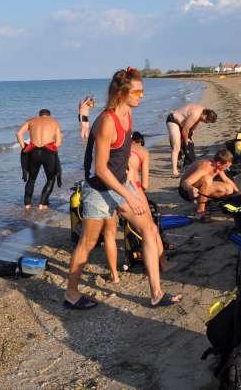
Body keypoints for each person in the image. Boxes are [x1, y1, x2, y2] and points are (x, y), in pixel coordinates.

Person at [65, 68, 179, 310]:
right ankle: (71, 294)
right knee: (87, 242)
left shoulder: (128, 115)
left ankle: (156, 293)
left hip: (121, 184)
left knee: (149, 228)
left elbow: (121, 153)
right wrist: (129, 194)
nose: (142, 95)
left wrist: (129, 179)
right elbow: (100, 170)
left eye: (142, 91)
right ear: (121, 93)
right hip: (98, 189)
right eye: (137, 91)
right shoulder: (107, 122)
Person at [16, 109, 62, 211]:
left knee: (31, 179)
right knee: (51, 178)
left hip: (33, 152)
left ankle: (27, 205)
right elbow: (58, 143)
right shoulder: (54, 122)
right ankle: (42, 204)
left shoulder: (31, 121)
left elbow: (19, 133)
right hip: (48, 153)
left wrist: (24, 147)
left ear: (39, 115)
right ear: (49, 116)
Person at [179, 149, 239, 222]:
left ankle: (205, 202)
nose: (227, 168)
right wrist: (191, 188)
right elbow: (185, 182)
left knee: (228, 188)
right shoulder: (205, 167)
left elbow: (226, 180)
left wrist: (238, 193)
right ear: (219, 163)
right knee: (207, 180)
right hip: (186, 191)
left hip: (198, 188)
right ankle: (200, 212)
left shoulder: (217, 166)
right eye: (226, 166)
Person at [166, 103, 218, 176]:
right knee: (176, 147)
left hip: (183, 123)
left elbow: (193, 128)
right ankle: (174, 171)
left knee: (189, 143)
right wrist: (186, 141)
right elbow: (185, 130)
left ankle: (184, 163)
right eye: (206, 121)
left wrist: (190, 138)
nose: (205, 122)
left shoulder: (203, 112)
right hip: (173, 120)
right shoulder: (196, 114)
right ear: (205, 115)